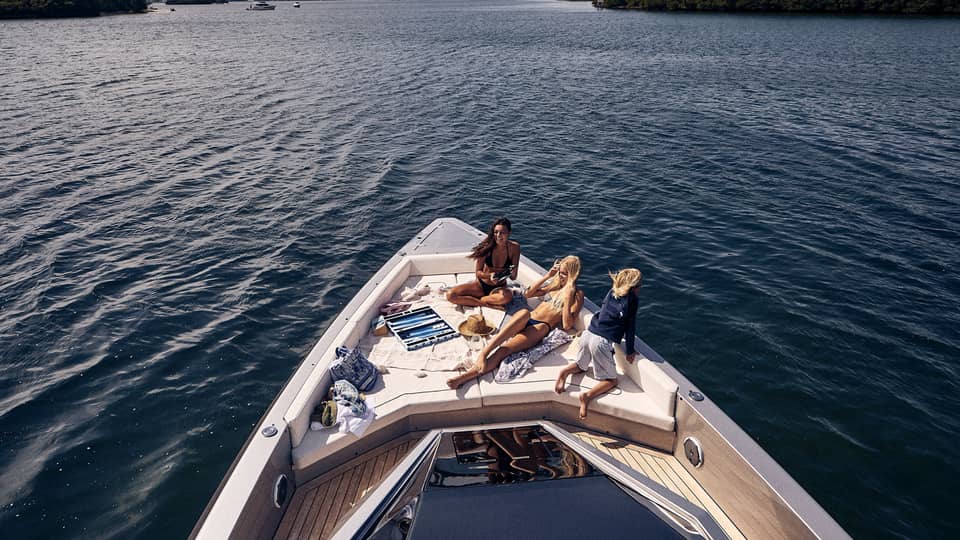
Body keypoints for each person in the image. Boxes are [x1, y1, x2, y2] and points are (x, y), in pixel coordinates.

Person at [447, 256, 584, 390]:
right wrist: (548, 276)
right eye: (560, 272)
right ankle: (484, 353)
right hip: (526, 317)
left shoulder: (577, 295)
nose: (560, 276)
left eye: (564, 274)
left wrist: (567, 297)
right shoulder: (554, 286)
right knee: (524, 312)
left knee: (503, 351)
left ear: (573, 275)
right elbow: (528, 294)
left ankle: (463, 378)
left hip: (539, 327)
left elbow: (567, 325)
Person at [555, 268, 641, 420]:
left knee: (581, 366)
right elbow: (630, 326)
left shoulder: (612, 292)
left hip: (588, 334)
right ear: (634, 287)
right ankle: (587, 396)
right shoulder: (632, 300)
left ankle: (564, 373)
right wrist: (630, 351)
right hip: (601, 342)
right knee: (611, 380)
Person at [446, 217, 520, 310]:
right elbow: (478, 273)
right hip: (481, 286)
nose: (498, 235)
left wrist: (508, 272)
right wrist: (490, 276)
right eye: (496, 232)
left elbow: (513, 277)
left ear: (509, 233)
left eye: (502, 233)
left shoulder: (514, 248)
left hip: (499, 288)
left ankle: (480, 300)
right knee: (450, 295)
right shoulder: (486, 247)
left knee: (506, 297)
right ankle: (486, 304)